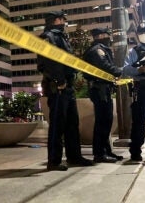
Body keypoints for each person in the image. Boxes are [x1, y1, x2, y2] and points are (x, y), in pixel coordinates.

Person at [37, 10, 94, 171]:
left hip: (67, 87)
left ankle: (74, 156)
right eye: (61, 19)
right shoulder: (48, 37)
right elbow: (51, 61)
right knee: (57, 125)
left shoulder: (61, 36)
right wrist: (59, 81)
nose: (64, 22)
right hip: (58, 87)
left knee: (72, 123)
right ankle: (54, 161)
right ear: (53, 20)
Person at [83, 28, 123, 163]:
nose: (109, 37)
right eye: (107, 35)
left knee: (106, 121)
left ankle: (106, 151)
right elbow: (104, 65)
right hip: (99, 89)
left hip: (104, 89)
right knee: (102, 122)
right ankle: (99, 153)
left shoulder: (100, 48)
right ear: (100, 36)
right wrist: (119, 71)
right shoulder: (96, 50)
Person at [123, 22, 145, 161]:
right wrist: (139, 69)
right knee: (139, 121)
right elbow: (125, 69)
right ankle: (135, 151)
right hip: (141, 88)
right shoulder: (135, 51)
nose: (144, 36)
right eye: (142, 33)